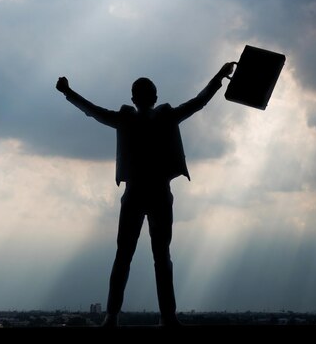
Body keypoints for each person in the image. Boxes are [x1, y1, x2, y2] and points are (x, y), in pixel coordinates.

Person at [56, 62, 235, 327]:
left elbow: (92, 111)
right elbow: (199, 102)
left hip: (140, 193)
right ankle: (159, 316)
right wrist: (218, 77)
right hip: (156, 193)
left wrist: (68, 93)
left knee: (129, 256)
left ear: (134, 98)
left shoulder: (130, 119)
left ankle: (118, 316)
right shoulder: (159, 117)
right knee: (157, 256)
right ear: (154, 97)